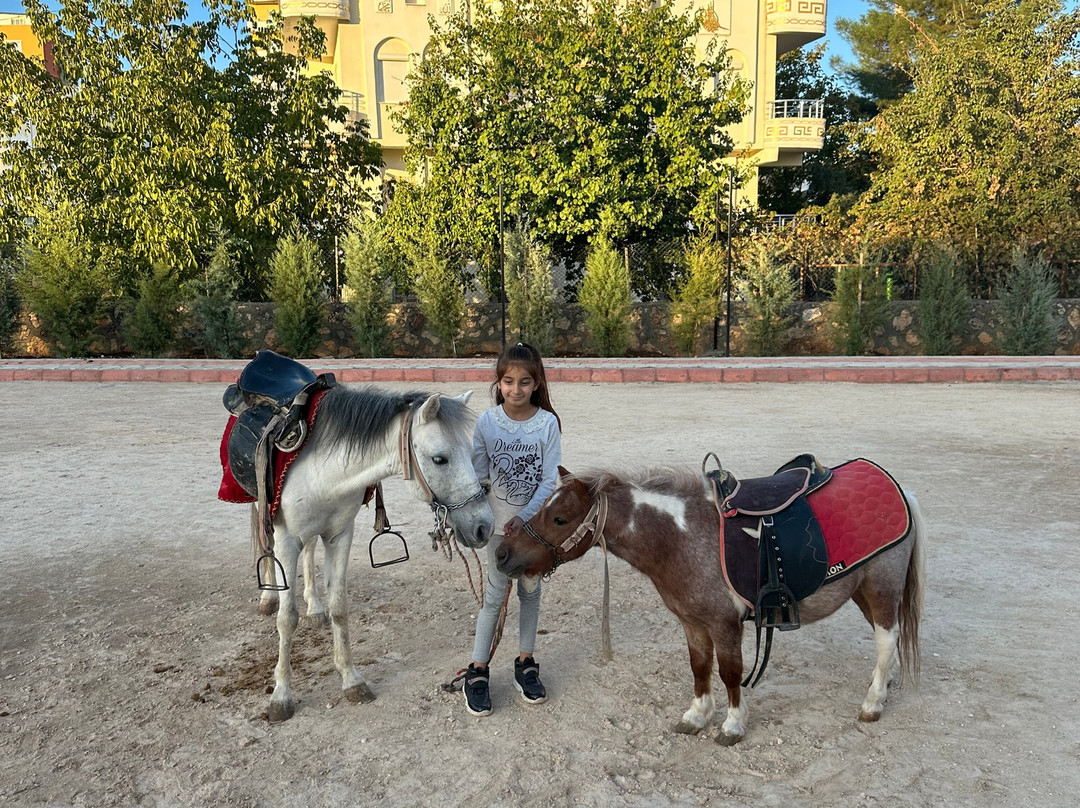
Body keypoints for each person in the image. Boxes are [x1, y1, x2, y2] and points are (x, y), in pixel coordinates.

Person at [462, 342, 562, 717]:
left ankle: (525, 663)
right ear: (498, 383)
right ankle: (478, 669)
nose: (516, 389)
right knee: (494, 595)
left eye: (524, 382)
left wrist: (528, 517)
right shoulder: (488, 423)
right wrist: (485, 517)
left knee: (531, 593)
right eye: (508, 381)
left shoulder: (547, 423)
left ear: (536, 384)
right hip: (499, 529)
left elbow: (549, 478)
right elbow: (478, 473)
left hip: (534, 531)